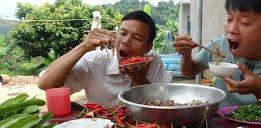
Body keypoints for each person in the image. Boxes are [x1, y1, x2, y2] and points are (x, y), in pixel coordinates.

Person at [173, 0, 261, 107]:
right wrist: (186, 56)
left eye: (245, 22)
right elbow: (189, 72)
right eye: (229, 19)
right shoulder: (220, 46)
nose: (231, 29)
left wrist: (260, 90)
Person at [38, 11, 170, 106]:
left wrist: (141, 79)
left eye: (137, 38)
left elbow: (164, 104)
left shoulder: (153, 60)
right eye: (122, 33)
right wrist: (84, 46)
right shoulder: (93, 61)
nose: (125, 41)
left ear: (148, 47)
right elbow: (45, 84)